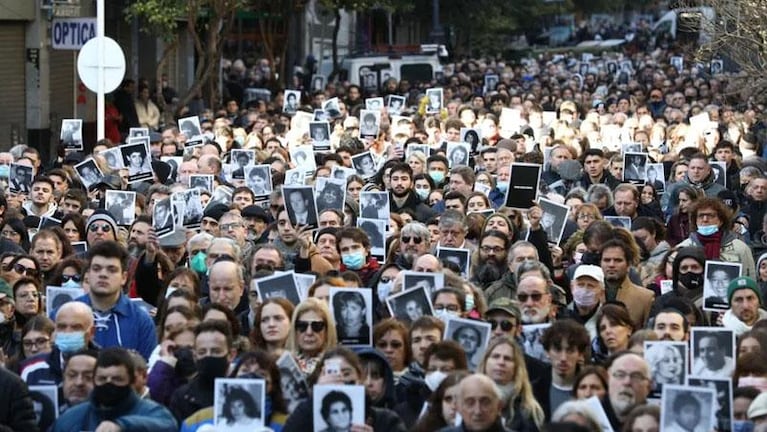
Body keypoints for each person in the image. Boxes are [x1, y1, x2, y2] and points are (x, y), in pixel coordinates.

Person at [52, 347, 177, 432]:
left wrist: (122, 425)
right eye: (102, 379)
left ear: (131, 380)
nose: (109, 384)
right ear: (94, 380)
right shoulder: (73, 418)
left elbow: (168, 425)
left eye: (117, 379)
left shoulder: (151, 411)